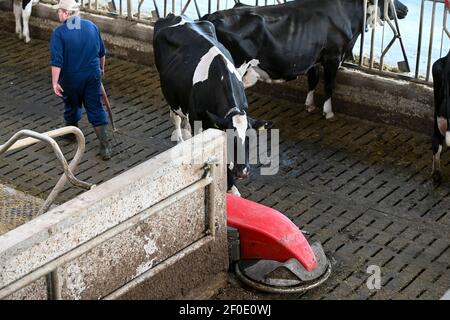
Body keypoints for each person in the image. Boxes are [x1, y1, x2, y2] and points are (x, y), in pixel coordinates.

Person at [50, 0, 112, 160]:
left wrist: (55, 82)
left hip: (70, 79)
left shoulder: (59, 33)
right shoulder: (91, 26)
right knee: (96, 108)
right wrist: (101, 69)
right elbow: (102, 53)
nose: (58, 13)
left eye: (59, 11)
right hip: (92, 76)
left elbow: (57, 62)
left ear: (66, 13)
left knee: (71, 105)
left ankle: (71, 134)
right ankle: (105, 147)